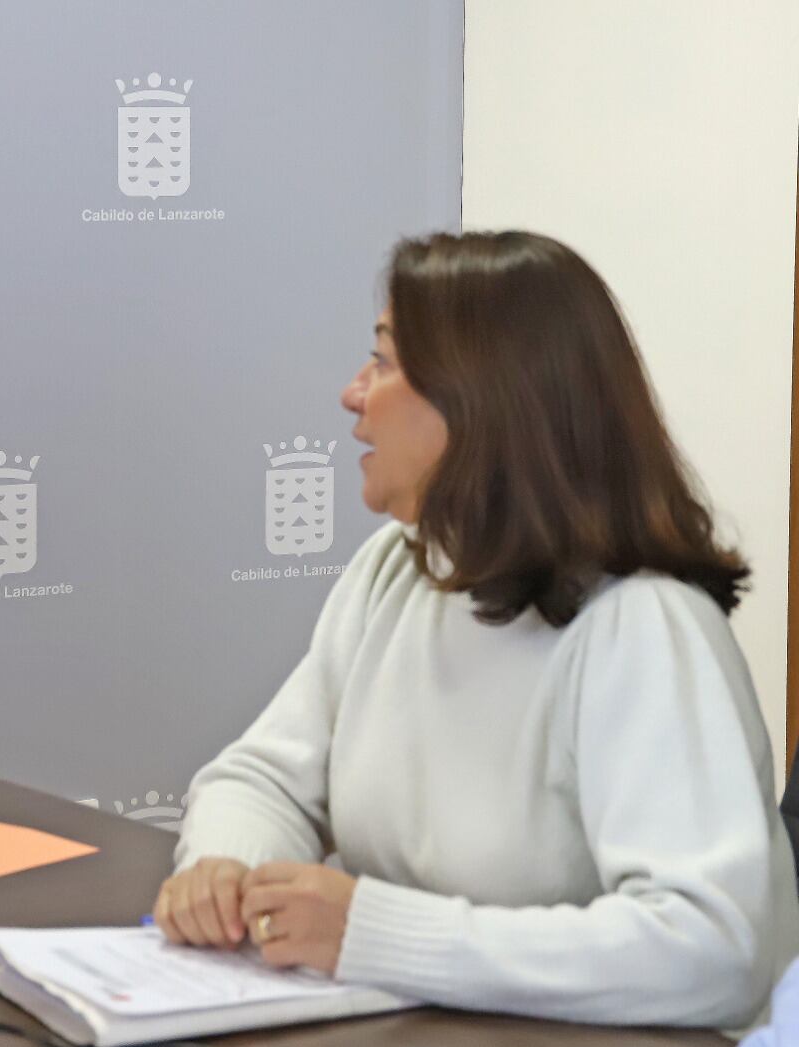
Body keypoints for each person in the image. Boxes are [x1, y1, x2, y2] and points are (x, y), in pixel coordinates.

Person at [153, 231, 799, 1027]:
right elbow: (264, 778)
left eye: (384, 362)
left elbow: (713, 945)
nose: (353, 392)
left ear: (481, 401)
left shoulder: (644, 627)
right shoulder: (397, 568)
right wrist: (229, 867)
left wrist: (378, 933)